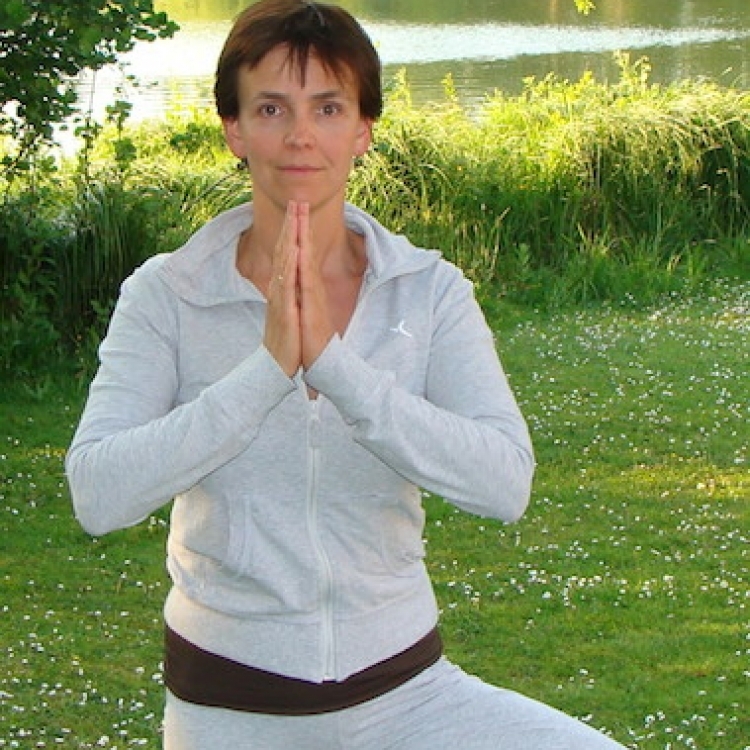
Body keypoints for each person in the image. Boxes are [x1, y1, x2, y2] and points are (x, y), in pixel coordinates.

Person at [66, 1, 628, 748]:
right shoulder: (167, 295)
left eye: (328, 107)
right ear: (234, 128)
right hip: (231, 712)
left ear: (362, 129)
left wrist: (336, 365)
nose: (300, 135)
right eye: (271, 107)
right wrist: (266, 371)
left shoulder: (428, 290)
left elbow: (505, 483)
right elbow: (97, 494)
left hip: (410, 698)